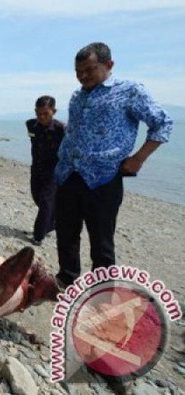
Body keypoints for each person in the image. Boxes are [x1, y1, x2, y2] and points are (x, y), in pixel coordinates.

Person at [54, 42, 172, 288]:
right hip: (68, 175)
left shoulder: (130, 91)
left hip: (103, 179)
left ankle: (102, 291)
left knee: (101, 242)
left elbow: (162, 124)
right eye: (78, 72)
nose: (83, 76)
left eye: (89, 70)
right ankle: (67, 279)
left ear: (109, 65)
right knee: (66, 235)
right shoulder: (78, 95)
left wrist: (138, 159)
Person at [26, 95, 65, 246]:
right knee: (37, 197)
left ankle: (38, 235)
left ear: (54, 111)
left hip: (53, 170)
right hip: (36, 168)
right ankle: (52, 223)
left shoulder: (61, 129)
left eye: (46, 114)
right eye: (39, 113)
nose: (42, 117)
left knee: (46, 201)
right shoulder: (30, 125)